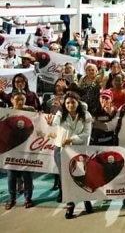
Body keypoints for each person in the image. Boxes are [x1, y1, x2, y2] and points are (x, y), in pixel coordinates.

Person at [45, 88, 93, 219]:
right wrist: (50, 123)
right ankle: (70, 205)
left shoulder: (86, 116)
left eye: (73, 102)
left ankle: (86, 200)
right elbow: (53, 122)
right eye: (67, 103)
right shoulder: (61, 115)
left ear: (78, 102)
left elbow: (86, 135)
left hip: (79, 151)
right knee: (66, 179)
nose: (70, 105)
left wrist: (71, 139)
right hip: (61, 151)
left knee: (81, 177)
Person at [5, 91, 36, 210]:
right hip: (10, 149)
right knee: (11, 175)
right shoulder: (6, 112)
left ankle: (28, 198)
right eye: (17, 99)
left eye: (22, 99)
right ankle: (12, 198)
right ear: (11, 100)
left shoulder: (30, 111)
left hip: (26, 148)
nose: (20, 102)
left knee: (27, 174)